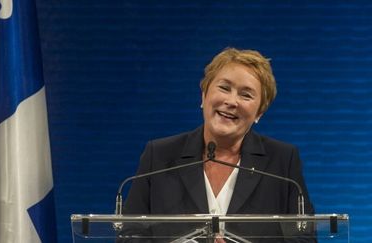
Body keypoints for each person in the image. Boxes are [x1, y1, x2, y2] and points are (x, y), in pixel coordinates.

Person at [121, 48, 315, 242]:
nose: (231, 101)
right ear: (203, 95)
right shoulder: (160, 155)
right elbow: (129, 237)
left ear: (259, 113)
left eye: (246, 95)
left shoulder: (282, 162)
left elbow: (305, 240)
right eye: (224, 88)